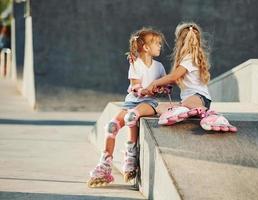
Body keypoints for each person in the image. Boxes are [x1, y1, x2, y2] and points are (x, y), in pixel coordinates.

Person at [88, 27, 167, 187]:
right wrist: (142, 89)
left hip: (148, 103)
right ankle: (105, 165)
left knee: (132, 116)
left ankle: (131, 155)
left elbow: (166, 85)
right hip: (132, 101)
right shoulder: (135, 64)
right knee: (111, 126)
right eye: (157, 43)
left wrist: (162, 88)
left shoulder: (159, 67)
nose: (160, 46)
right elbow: (135, 85)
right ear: (146, 47)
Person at [146, 22, 237, 132]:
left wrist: (154, 83)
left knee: (186, 104)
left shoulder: (189, 58)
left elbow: (174, 77)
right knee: (159, 107)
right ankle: (185, 110)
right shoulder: (191, 59)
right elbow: (177, 80)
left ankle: (213, 116)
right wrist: (164, 86)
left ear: (180, 42)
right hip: (193, 99)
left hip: (199, 98)